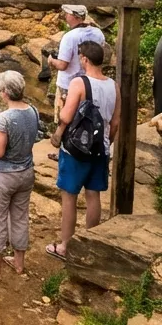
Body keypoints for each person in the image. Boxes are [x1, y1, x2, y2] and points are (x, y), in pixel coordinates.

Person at [47, 41, 119, 261]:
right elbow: (115, 122)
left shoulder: (79, 82)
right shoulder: (114, 86)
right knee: (93, 195)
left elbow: (67, 117)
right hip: (101, 148)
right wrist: (108, 142)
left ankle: (65, 246)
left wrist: (58, 133)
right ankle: (90, 244)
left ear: (85, 59)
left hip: (76, 148)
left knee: (69, 196)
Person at [0, 71, 40, 280]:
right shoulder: (33, 111)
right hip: (26, 172)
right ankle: (19, 262)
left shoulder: (4, 119)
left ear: (4, 93)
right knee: (20, 216)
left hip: (3, 175)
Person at [46, 5, 105, 125]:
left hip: (68, 85)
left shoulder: (69, 37)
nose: (65, 16)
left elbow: (63, 65)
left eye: (67, 14)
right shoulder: (98, 33)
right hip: (92, 83)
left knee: (65, 120)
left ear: (74, 16)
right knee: (87, 119)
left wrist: (51, 61)